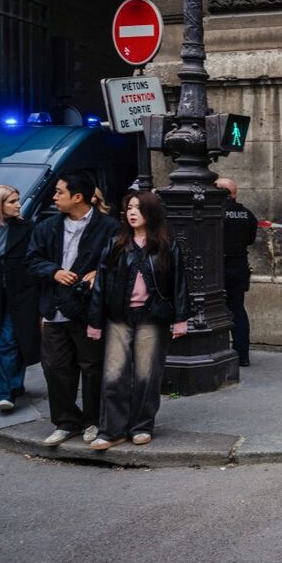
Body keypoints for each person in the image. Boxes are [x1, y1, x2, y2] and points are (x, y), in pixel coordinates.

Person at [86, 191, 189, 449]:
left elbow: (179, 284)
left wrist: (180, 319)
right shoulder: (116, 244)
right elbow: (101, 284)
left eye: (138, 208)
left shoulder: (167, 246)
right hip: (118, 317)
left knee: (147, 374)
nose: (132, 213)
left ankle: (141, 425)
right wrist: (95, 321)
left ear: (151, 213)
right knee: (114, 374)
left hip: (152, 317)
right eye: (129, 207)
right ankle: (111, 430)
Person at [25, 171, 119, 446]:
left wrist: (98, 274)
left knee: (92, 367)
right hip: (54, 308)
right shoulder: (46, 226)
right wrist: (53, 271)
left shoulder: (109, 227)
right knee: (54, 367)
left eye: (59, 192)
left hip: (88, 308)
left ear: (78, 197)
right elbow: (31, 260)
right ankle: (66, 422)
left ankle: (93, 421)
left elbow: (117, 262)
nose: (54, 197)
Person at [0, 186, 40, 413]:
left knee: (8, 340)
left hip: (21, 295)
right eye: (12, 201)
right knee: (9, 341)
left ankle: (4, 392)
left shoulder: (27, 227)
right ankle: (15, 383)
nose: (18, 205)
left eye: (17, 200)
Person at [216, 177, 258, 367]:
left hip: (216, 267)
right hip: (239, 265)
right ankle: (243, 355)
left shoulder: (214, 214)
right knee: (237, 309)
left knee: (212, 309)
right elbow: (250, 240)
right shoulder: (248, 214)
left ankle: (217, 352)